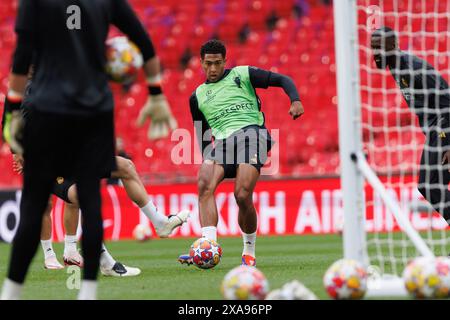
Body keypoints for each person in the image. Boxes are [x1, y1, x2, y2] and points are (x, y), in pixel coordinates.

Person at [1, 0, 177, 300]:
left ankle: (11, 293)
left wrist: (10, 115)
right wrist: (155, 91)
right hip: (93, 109)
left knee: (33, 207)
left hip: (49, 108)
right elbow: (143, 40)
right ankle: (88, 293)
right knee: (92, 205)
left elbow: (22, 57)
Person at [178, 39, 304, 267]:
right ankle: (207, 247)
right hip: (223, 143)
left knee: (242, 194)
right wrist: (208, 159)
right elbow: (203, 134)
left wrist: (295, 100)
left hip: (252, 135)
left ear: (225, 61)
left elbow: (283, 79)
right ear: (201, 63)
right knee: (204, 183)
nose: (213, 69)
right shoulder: (197, 97)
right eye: (208, 64)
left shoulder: (242, 74)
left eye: (217, 63)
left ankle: (249, 250)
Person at [13, 154, 189, 276]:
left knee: (125, 166)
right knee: (80, 195)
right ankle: (102, 262)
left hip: (76, 155)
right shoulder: (35, 101)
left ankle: (161, 223)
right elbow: (17, 117)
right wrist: (18, 152)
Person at [371, 27, 450, 225]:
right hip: (435, 130)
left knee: (430, 185)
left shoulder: (413, 67)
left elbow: (447, 102)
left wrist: (447, 141)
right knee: (430, 186)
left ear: (392, 46)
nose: (375, 53)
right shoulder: (397, 67)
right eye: (373, 48)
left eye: (378, 47)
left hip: (442, 128)